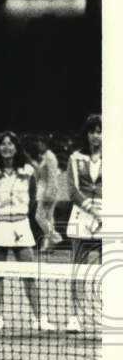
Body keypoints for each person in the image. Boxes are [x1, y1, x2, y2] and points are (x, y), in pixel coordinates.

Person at [0, 131, 55, 332]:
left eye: (10, 143)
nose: (6, 147)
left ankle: (39, 317)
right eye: (3, 144)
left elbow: (32, 201)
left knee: (28, 274)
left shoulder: (28, 171)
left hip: (21, 226)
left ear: (16, 147)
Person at [64, 114, 102, 332]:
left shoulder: (116, 156)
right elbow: (72, 190)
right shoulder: (75, 158)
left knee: (110, 270)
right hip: (81, 217)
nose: (96, 136)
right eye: (92, 131)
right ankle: (74, 317)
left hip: (108, 218)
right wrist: (92, 209)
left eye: (99, 131)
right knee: (78, 269)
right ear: (86, 134)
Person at [32, 135, 63, 252]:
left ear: (45, 144)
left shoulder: (50, 157)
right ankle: (48, 246)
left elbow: (53, 176)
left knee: (39, 216)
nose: (39, 145)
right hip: (45, 190)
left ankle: (55, 237)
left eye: (41, 143)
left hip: (48, 191)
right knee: (49, 219)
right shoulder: (45, 157)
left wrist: (49, 193)